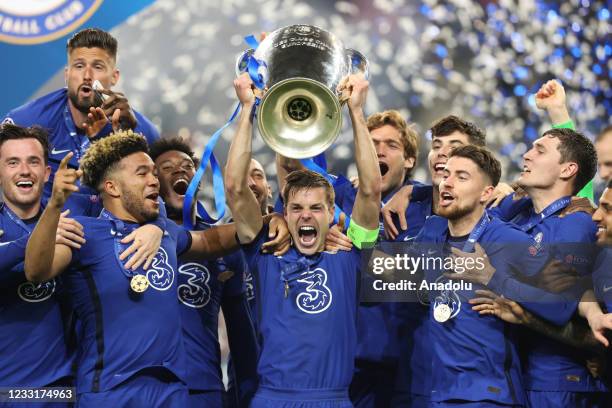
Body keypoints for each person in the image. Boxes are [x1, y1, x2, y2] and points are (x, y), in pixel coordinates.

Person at [23, 130, 288, 406]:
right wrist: (54, 205)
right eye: (142, 174)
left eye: (152, 173)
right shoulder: (85, 233)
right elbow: (36, 271)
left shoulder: (167, 234)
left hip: (171, 390)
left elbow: (211, 241)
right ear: (112, 187)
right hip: (110, 391)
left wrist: (271, 220)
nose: (154, 181)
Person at [225, 72, 381, 407]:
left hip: (333, 399)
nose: (305, 216)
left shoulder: (351, 252)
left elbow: (371, 190)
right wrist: (246, 110)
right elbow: (236, 188)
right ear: (286, 212)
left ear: (331, 213)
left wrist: (356, 111)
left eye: (315, 208)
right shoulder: (265, 249)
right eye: (296, 208)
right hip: (272, 399)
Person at [0, 124, 162, 405]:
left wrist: (157, 227)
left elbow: (132, 196)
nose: (24, 171)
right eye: (12, 162)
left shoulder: (75, 208)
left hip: (63, 388)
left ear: (47, 173)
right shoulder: (57, 218)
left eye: (33, 161)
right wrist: (33, 241)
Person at [488, 126, 607, 406]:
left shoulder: (576, 223)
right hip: (515, 375)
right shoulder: (521, 216)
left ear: (567, 170)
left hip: (556, 383)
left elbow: (559, 297)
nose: (527, 155)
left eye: (539, 150)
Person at [149, 137, 261, 407]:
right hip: (146, 387)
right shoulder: (132, 236)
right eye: (166, 167)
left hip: (203, 388)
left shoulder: (223, 246)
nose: (179, 171)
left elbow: (241, 335)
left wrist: (248, 395)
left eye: (187, 166)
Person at [2, 28, 159, 201]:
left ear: (114, 77)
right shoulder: (26, 121)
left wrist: (126, 138)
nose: (87, 76)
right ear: (67, 75)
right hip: (47, 225)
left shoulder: (142, 131)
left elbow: (157, 200)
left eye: (97, 67)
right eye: (79, 66)